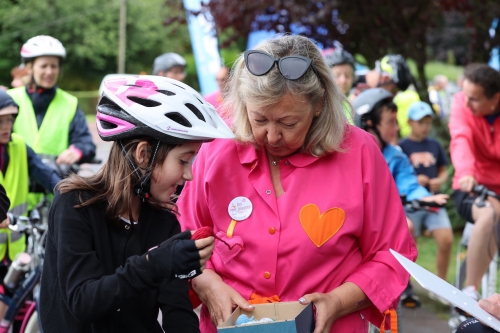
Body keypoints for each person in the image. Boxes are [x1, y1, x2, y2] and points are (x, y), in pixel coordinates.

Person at [177, 35, 417, 333]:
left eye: (288, 123)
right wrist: (207, 283)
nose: (272, 136)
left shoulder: (359, 153)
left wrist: (337, 302)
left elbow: (392, 255)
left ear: (318, 104)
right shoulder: (218, 151)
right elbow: (182, 237)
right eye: (259, 119)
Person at [39, 75, 234, 332]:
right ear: (143, 155)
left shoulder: (164, 223)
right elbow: (83, 302)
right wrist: (154, 263)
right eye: (183, 161)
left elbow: (178, 312)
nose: (189, 175)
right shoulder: (74, 205)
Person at [352, 88, 449, 308]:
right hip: (355, 225)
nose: (397, 128)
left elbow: (409, 184)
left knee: (406, 227)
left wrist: (425, 198)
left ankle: (397, 286)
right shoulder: (347, 154)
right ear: (368, 123)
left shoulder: (395, 155)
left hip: (382, 222)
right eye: (390, 122)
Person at [0, 89, 60, 320]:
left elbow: (49, 177)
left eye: (10, 119)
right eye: (1, 120)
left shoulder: (19, 146)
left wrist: (74, 193)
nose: (6, 126)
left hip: (15, 250)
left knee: (14, 312)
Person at [449, 63, 500, 301]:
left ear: (494, 99)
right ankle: (469, 294)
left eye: (475, 99)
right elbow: (461, 138)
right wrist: (467, 171)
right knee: (491, 213)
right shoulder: (462, 104)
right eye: (465, 95)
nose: (467, 103)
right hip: (470, 185)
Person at [7, 35, 96, 166]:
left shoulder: (70, 103)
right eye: (44, 66)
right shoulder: (10, 99)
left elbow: (85, 142)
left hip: (55, 183)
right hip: (15, 184)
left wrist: (77, 151)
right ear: (29, 68)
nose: (49, 72)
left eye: (54, 66)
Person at [399, 101, 453, 298]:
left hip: (432, 200)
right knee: (408, 242)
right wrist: (414, 179)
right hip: (409, 205)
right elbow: (395, 173)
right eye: (420, 122)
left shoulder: (434, 145)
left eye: (428, 122)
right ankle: (404, 286)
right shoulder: (401, 146)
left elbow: (442, 170)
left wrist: (439, 180)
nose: (425, 126)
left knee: (446, 239)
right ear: (410, 122)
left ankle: (440, 286)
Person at [322, 47, 355, 123]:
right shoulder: (321, 106)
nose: (343, 80)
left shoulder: (357, 100)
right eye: (337, 75)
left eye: (347, 75)